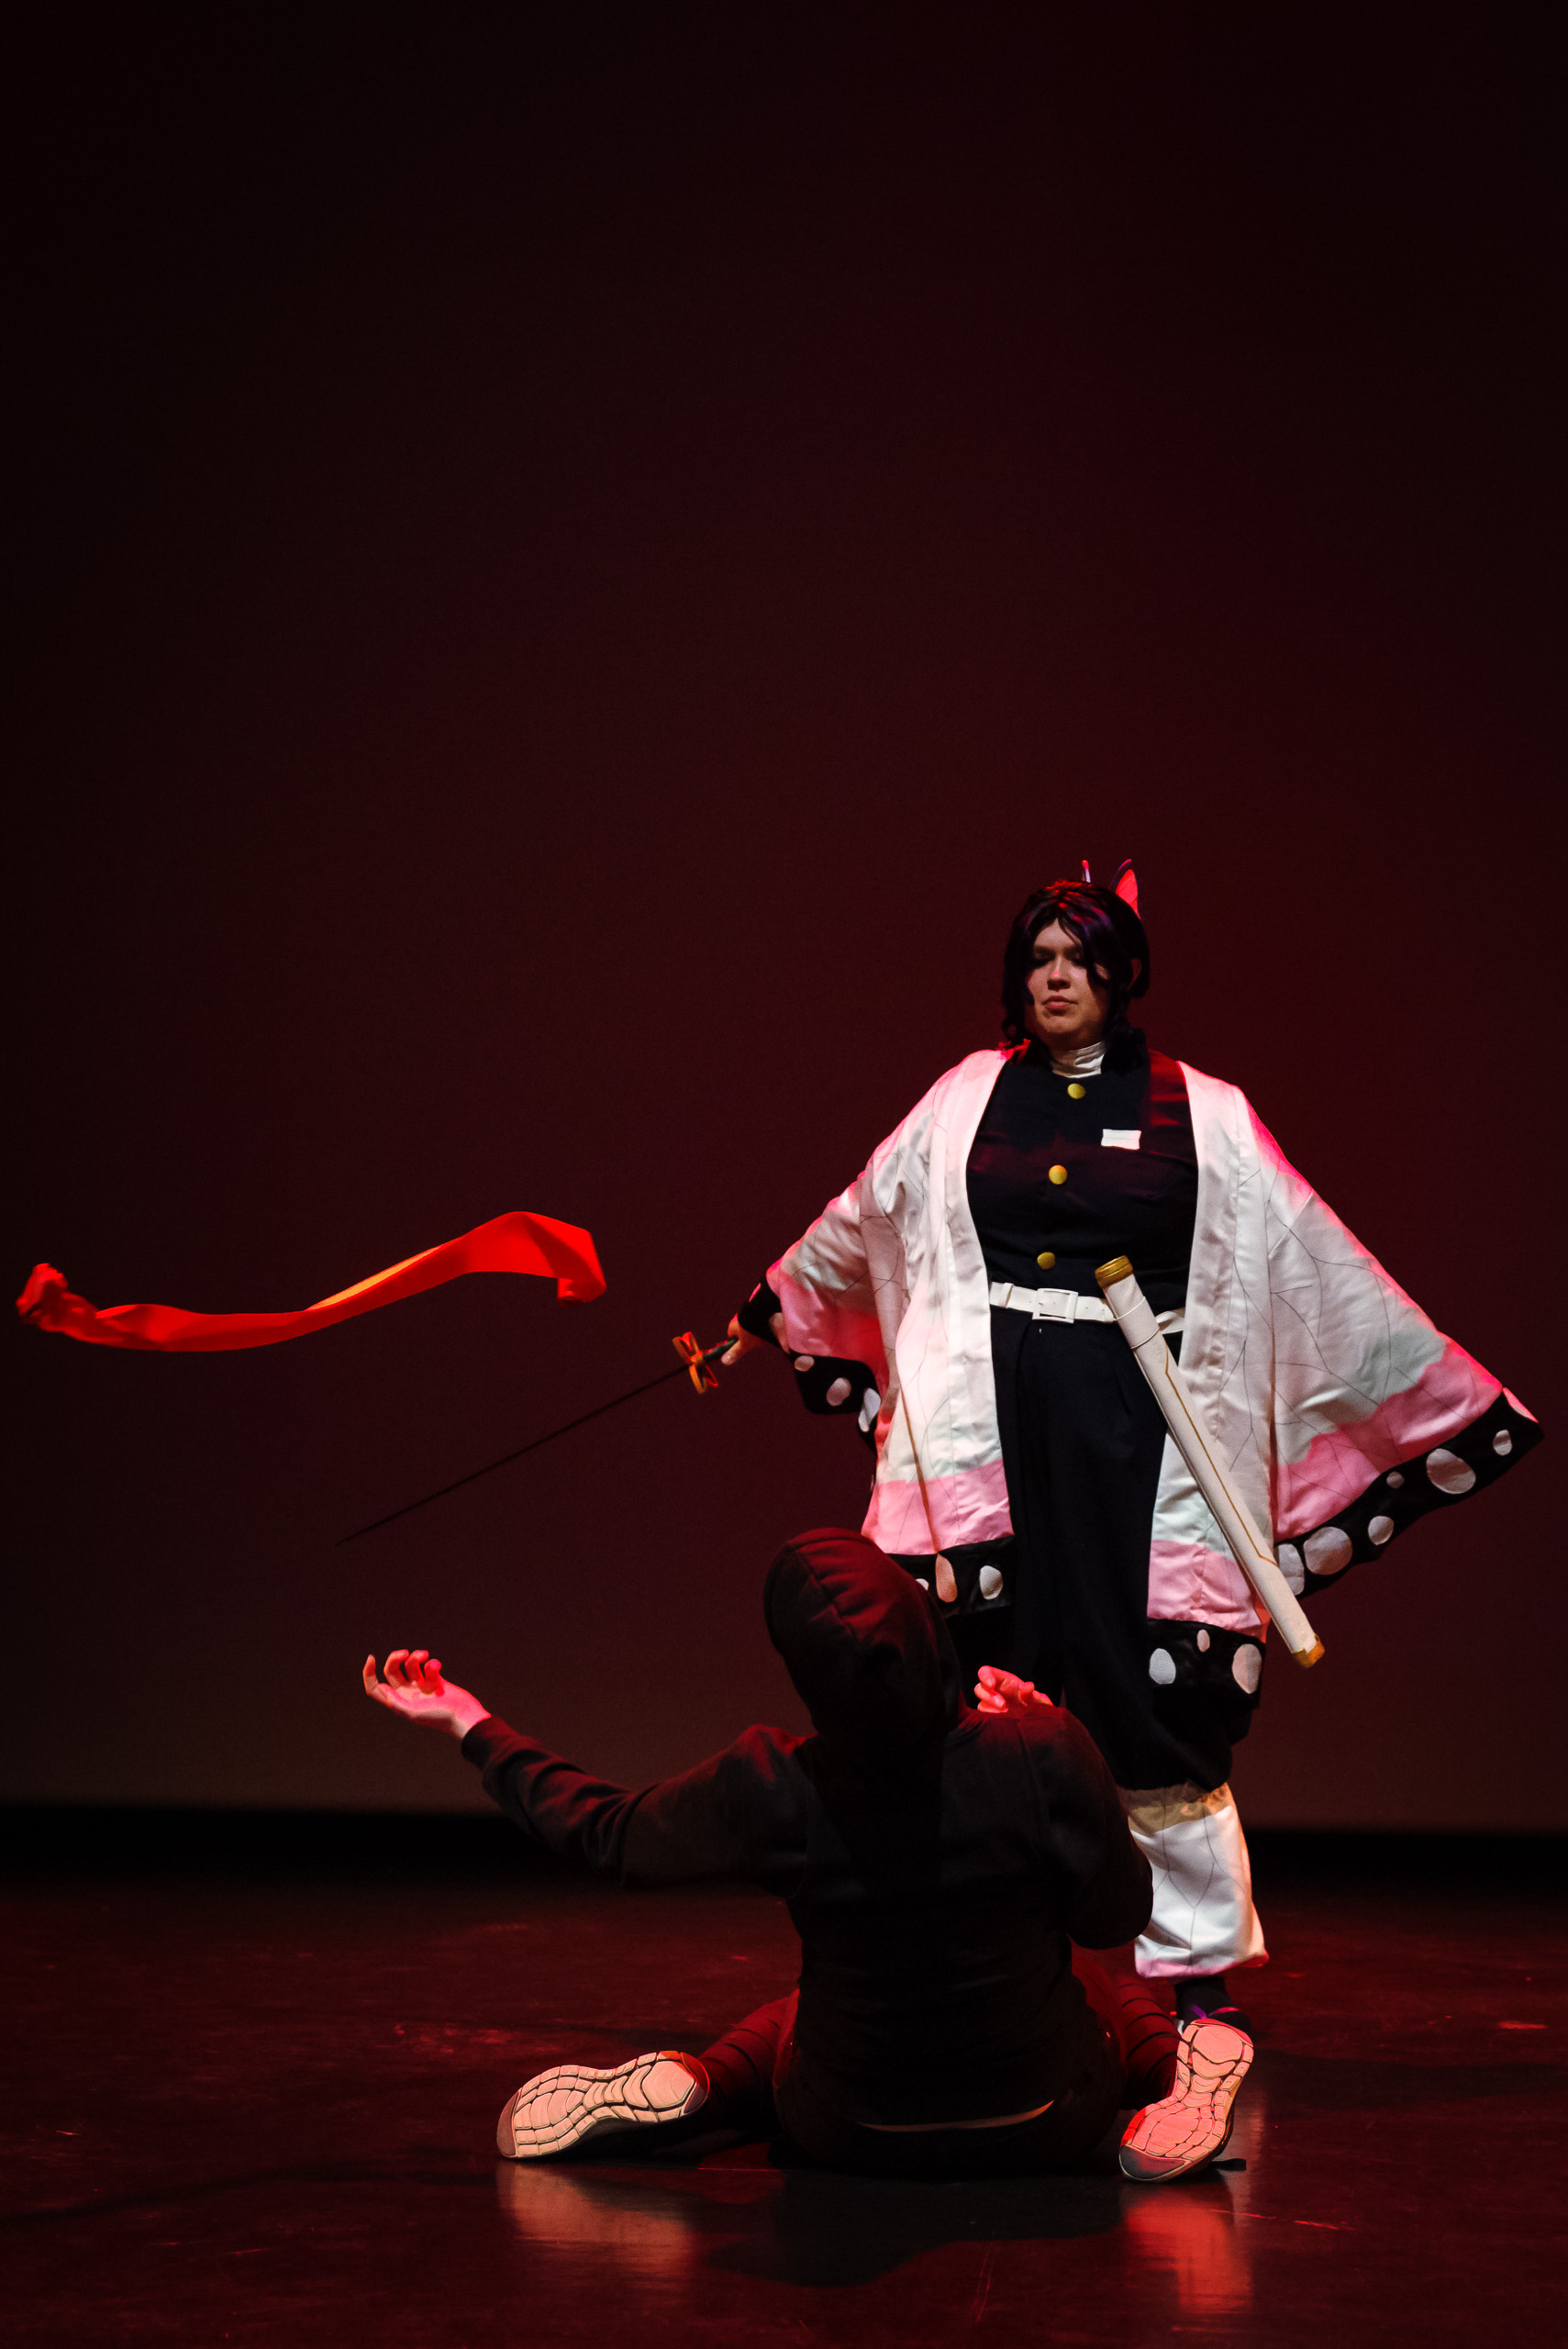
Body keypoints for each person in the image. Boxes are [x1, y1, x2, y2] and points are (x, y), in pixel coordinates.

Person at [721, 867, 1540, 2042]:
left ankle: (1194, 1970)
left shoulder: (1202, 1113)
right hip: (992, 1421)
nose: (1054, 977)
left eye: (1077, 957)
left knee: (1152, 1680)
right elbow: (867, 1213)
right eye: (1037, 958)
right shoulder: (963, 1098)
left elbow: (1308, 1258)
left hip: (1137, 1435)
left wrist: (1436, 1393)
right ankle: (986, 1940)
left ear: (1121, 974)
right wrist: (768, 1309)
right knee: (979, 1673)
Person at [362, 1529, 1253, 2182]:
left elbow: (610, 1832)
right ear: (924, 1629)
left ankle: (703, 2080)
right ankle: (1180, 2070)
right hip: (1045, 2120)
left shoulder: (774, 1783)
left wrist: (471, 1724)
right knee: (1106, 1988)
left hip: (849, 2126)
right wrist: (1055, 1743)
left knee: (792, 2021)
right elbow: (1115, 1915)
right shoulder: (1040, 1749)